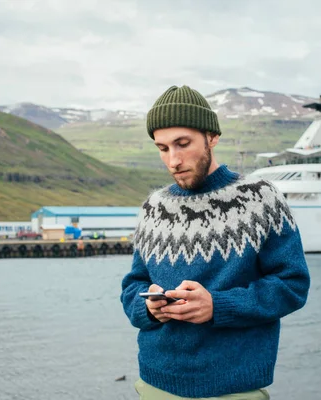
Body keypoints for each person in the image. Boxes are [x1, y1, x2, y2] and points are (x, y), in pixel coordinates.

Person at [120, 85, 310, 399]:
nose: (174, 160)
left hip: (233, 388)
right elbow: (132, 286)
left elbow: (292, 285)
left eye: (183, 144)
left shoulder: (261, 198)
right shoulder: (153, 207)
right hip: (155, 383)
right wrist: (150, 306)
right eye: (163, 148)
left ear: (212, 137)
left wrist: (217, 306)